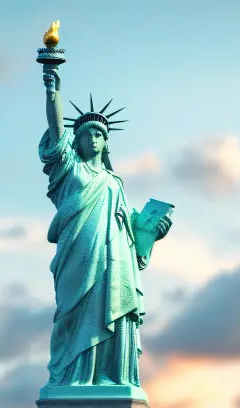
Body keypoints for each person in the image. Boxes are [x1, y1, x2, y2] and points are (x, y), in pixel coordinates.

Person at [39, 66, 171, 388]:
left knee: (114, 310)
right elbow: (57, 133)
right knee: (77, 314)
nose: (94, 139)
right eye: (87, 135)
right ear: (78, 141)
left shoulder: (115, 183)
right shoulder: (71, 172)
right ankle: (75, 377)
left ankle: (112, 376)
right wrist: (52, 91)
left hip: (116, 260)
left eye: (99, 134)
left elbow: (131, 232)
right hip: (79, 257)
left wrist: (152, 232)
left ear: (106, 142)